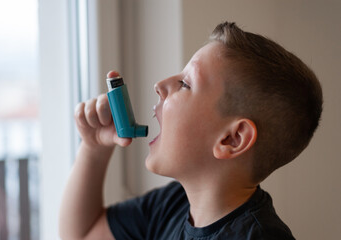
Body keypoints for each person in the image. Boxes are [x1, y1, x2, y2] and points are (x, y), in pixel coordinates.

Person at [59, 22, 323, 240]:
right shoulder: (173, 204)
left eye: (184, 84)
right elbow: (82, 235)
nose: (159, 85)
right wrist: (94, 148)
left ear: (232, 138)